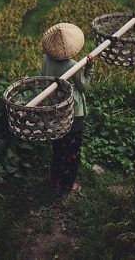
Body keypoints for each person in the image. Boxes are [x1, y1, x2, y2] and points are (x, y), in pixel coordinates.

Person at [40, 21, 93, 194]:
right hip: (73, 112)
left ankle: (54, 180)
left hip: (55, 109)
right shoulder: (73, 66)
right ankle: (67, 185)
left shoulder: (46, 60)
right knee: (72, 150)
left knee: (58, 147)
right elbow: (83, 86)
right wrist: (89, 68)